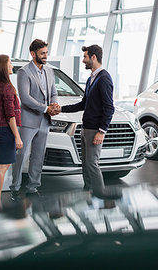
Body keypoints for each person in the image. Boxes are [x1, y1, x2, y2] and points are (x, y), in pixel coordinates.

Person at [58, 45, 122, 200]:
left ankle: (101, 195)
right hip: (86, 128)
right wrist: (60, 109)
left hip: (95, 130)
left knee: (92, 164)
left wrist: (102, 131)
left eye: (85, 57)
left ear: (94, 57)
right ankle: (88, 193)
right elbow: (82, 104)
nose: (83, 61)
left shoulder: (104, 79)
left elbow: (109, 108)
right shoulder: (91, 79)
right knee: (86, 165)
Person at [10, 39, 60, 201]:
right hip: (28, 121)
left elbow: (53, 92)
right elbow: (25, 98)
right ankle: (15, 188)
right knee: (21, 155)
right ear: (33, 54)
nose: (46, 56)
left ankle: (33, 187)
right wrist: (46, 108)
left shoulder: (50, 71)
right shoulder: (24, 72)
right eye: (42, 53)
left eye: (46, 52)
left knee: (38, 156)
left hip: (44, 121)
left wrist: (54, 104)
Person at [0, 54, 23, 209]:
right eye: (9, 64)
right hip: (5, 130)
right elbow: (10, 115)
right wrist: (17, 136)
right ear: (3, 67)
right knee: (2, 167)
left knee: (2, 166)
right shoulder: (6, 87)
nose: (12, 67)